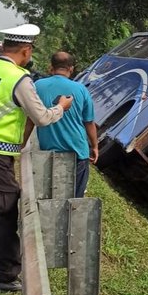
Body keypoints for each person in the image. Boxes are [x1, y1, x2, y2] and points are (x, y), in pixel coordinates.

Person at [0, 24, 74, 292]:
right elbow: (41, 118)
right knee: (4, 210)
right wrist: (61, 106)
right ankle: (7, 275)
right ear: (26, 50)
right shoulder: (19, 78)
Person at [31, 51, 98, 197]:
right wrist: (94, 146)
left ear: (51, 67)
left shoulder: (37, 86)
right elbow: (89, 122)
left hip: (48, 151)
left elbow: (30, 118)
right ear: (71, 68)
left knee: (48, 195)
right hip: (77, 151)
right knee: (75, 197)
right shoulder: (81, 89)